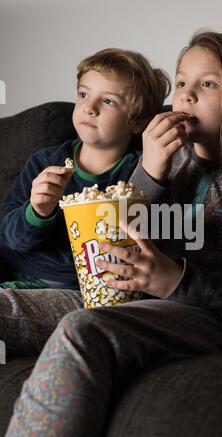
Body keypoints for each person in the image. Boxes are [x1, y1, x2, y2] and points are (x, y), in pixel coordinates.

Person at [3, 31, 222, 437]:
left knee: (82, 330)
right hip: (122, 295)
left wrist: (175, 281)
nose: (186, 95)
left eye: (206, 84)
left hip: (204, 314)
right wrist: (151, 172)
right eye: (181, 83)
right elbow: (118, 233)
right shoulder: (161, 159)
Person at [0, 48, 172, 356]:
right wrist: (37, 211)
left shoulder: (137, 173)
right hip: (14, 266)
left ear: (137, 121)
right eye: (83, 94)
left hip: (69, 288)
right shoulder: (45, 162)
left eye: (107, 101)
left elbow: (134, 242)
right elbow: (8, 236)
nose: (88, 108)